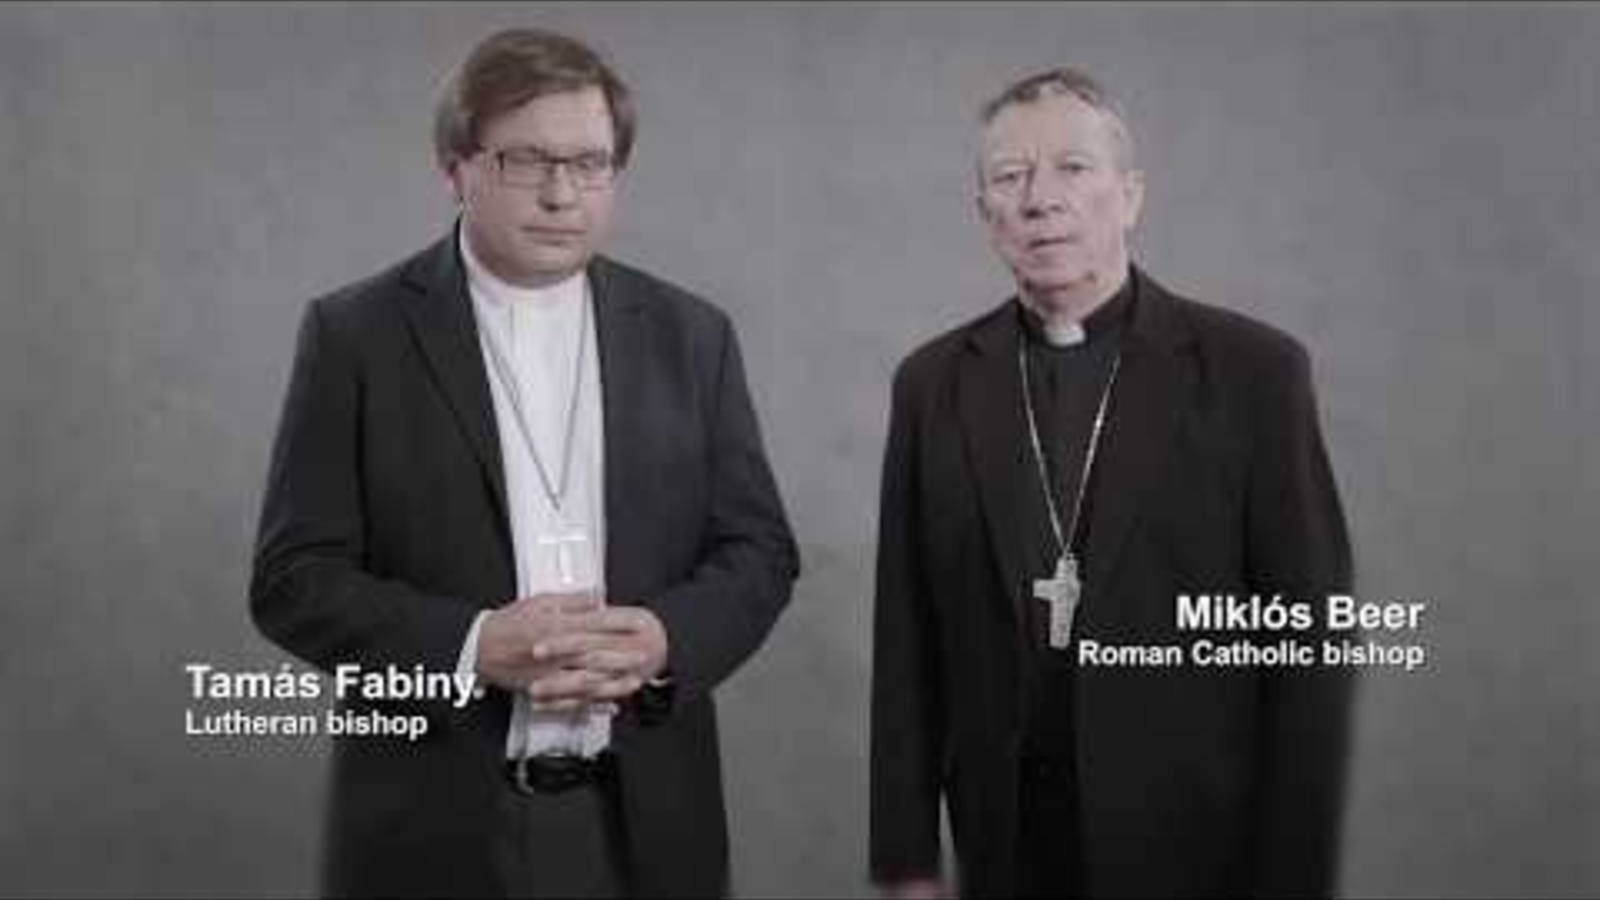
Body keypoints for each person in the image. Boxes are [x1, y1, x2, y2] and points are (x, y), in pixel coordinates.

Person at [250, 27, 799, 899]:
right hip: (430, 831)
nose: (560, 194)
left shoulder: (693, 336)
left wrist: (666, 638)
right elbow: (292, 581)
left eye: (589, 163)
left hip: (646, 832)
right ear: (456, 168)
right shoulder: (355, 336)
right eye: (525, 161)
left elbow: (760, 552)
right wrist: (471, 646)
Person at [869, 67, 1354, 899]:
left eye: (1073, 167)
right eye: (1011, 176)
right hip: (1007, 847)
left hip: (1200, 846)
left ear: (1130, 196)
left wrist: (1293, 879)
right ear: (984, 213)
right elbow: (906, 640)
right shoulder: (934, 383)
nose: (1040, 200)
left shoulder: (1254, 373)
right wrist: (905, 862)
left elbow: (1309, 645)